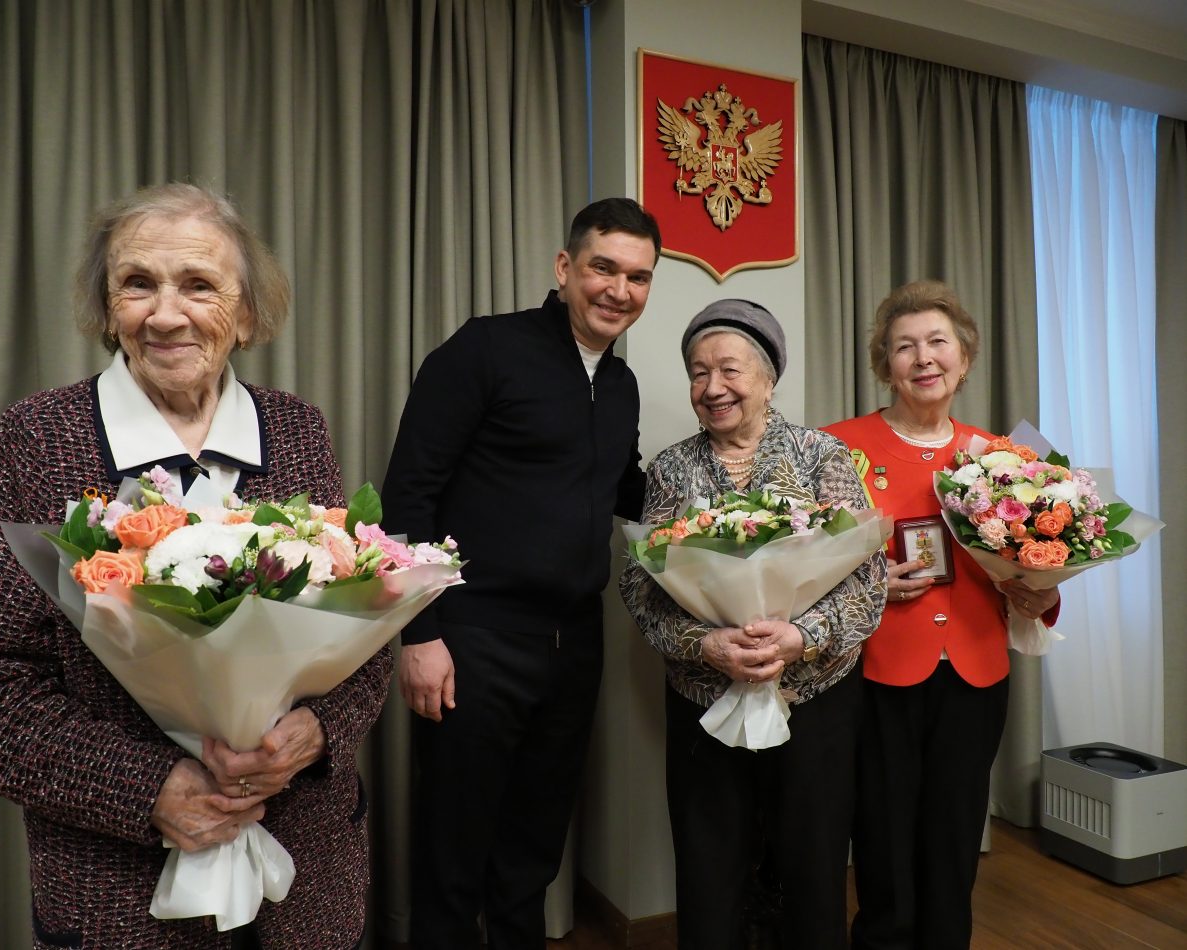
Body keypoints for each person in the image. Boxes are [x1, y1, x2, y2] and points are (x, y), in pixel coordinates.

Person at [0, 183, 389, 949]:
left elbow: (364, 639)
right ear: (108, 309)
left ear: (246, 315)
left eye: (199, 286)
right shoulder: (41, 437)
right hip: (119, 893)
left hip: (306, 875)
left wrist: (316, 733)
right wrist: (148, 789)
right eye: (138, 284)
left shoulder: (299, 430)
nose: (166, 314)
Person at [381, 197, 659, 948]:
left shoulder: (622, 383)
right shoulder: (485, 349)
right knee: (453, 845)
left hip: (574, 641)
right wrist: (421, 633)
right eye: (603, 268)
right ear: (565, 268)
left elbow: (621, 485)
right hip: (472, 637)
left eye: (637, 277)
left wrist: (725, 496)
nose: (617, 290)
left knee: (534, 844)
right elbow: (408, 491)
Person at [619, 299, 888, 948]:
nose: (712, 388)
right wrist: (703, 642)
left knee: (812, 869)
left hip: (814, 699)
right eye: (697, 372)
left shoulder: (821, 455)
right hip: (705, 697)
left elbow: (867, 575)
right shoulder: (670, 468)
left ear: (768, 379)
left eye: (729, 370)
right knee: (710, 871)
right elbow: (640, 586)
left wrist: (802, 636)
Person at [823, 279, 1061, 950]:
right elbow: (805, 567)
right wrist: (870, 582)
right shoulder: (837, 448)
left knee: (954, 839)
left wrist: (1042, 594)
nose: (922, 358)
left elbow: (1036, 558)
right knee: (882, 839)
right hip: (876, 676)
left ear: (963, 357)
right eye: (904, 347)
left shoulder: (1009, 459)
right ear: (884, 363)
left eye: (937, 343)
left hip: (975, 674)